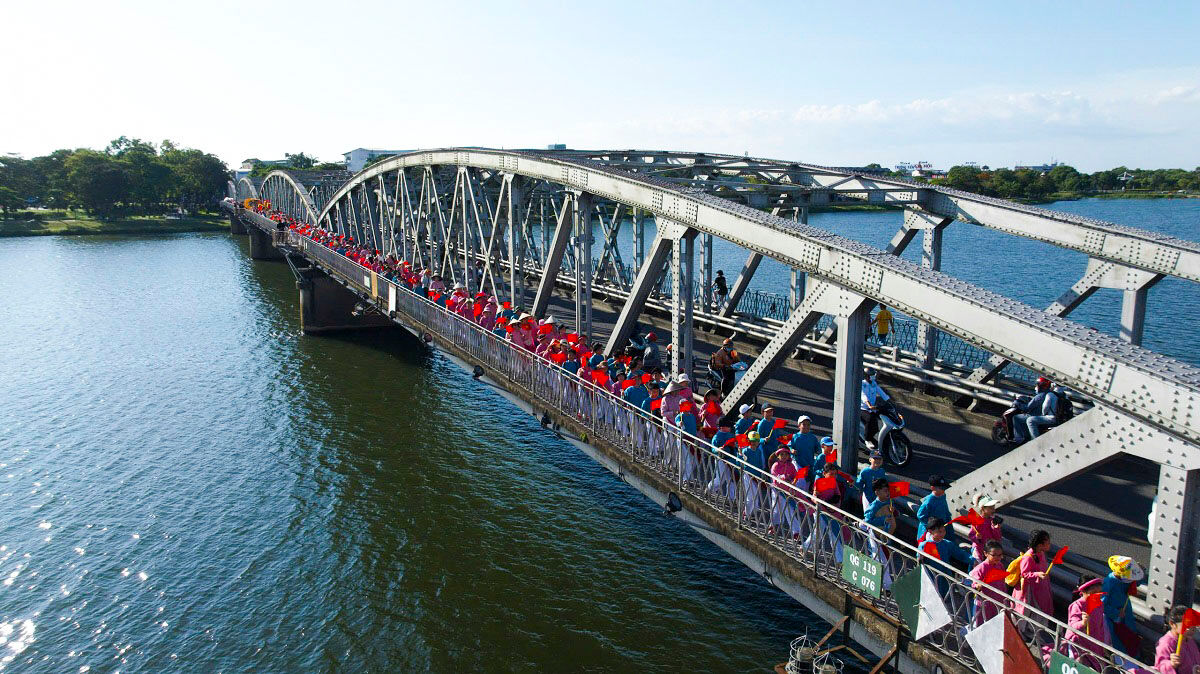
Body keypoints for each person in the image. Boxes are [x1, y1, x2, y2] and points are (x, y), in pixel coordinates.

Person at [1102, 555, 1144, 656]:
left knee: (1130, 638)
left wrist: (1141, 570)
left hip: (1125, 614)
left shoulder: (1124, 578)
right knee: (1119, 642)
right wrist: (1116, 613)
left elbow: (1136, 582)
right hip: (1114, 620)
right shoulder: (1109, 583)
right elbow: (1101, 604)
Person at [1013, 529, 1054, 616]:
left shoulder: (1041, 553)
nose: (1050, 544)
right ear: (1040, 545)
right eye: (1048, 543)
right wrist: (1037, 574)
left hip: (1041, 587)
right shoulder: (1028, 557)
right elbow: (1024, 574)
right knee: (1031, 612)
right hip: (1030, 591)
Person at [969, 541, 1010, 625]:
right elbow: (974, 584)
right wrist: (978, 585)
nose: (997, 557)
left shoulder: (1000, 565)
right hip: (985, 603)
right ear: (986, 553)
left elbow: (1002, 583)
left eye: (1000, 555)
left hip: (998, 601)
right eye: (994, 555)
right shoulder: (981, 568)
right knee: (981, 625)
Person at [1155, 605, 1200, 674]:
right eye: (1188, 626)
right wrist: (1171, 664)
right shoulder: (1166, 643)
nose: (1192, 630)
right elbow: (1160, 667)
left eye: (1194, 626)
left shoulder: (1188, 639)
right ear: (1172, 624)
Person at [1013, 377, 1059, 443]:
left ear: (1041, 386)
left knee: (1016, 418)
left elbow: (1027, 408)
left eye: (1037, 385)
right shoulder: (1049, 393)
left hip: (1037, 415)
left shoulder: (1040, 396)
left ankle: (1019, 439)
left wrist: (1017, 403)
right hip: (1051, 416)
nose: (1036, 386)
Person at [968, 494, 1004, 564]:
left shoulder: (992, 521)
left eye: (993, 507)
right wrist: (976, 537)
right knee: (977, 565)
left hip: (989, 550)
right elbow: (971, 535)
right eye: (991, 508)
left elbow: (998, 538)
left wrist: (996, 529)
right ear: (983, 508)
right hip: (979, 549)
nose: (993, 510)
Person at [916, 475, 952, 542]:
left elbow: (945, 508)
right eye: (941, 488)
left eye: (944, 488)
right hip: (933, 530)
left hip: (942, 525)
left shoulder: (942, 496)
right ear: (932, 488)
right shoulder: (929, 501)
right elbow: (920, 515)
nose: (943, 490)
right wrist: (932, 526)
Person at [860, 369, 889, 448]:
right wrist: (869, 405)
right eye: (871, 375)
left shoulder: (874, 383)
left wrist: (889, 401)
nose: (873, 377)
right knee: (870, 419)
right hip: (863, 409)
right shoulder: (862, 384)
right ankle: (867, 439)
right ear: (866, 376)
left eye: (873, 375)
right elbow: (863, 395)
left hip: (872, 408)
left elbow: (882, 393)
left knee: (884, 416)